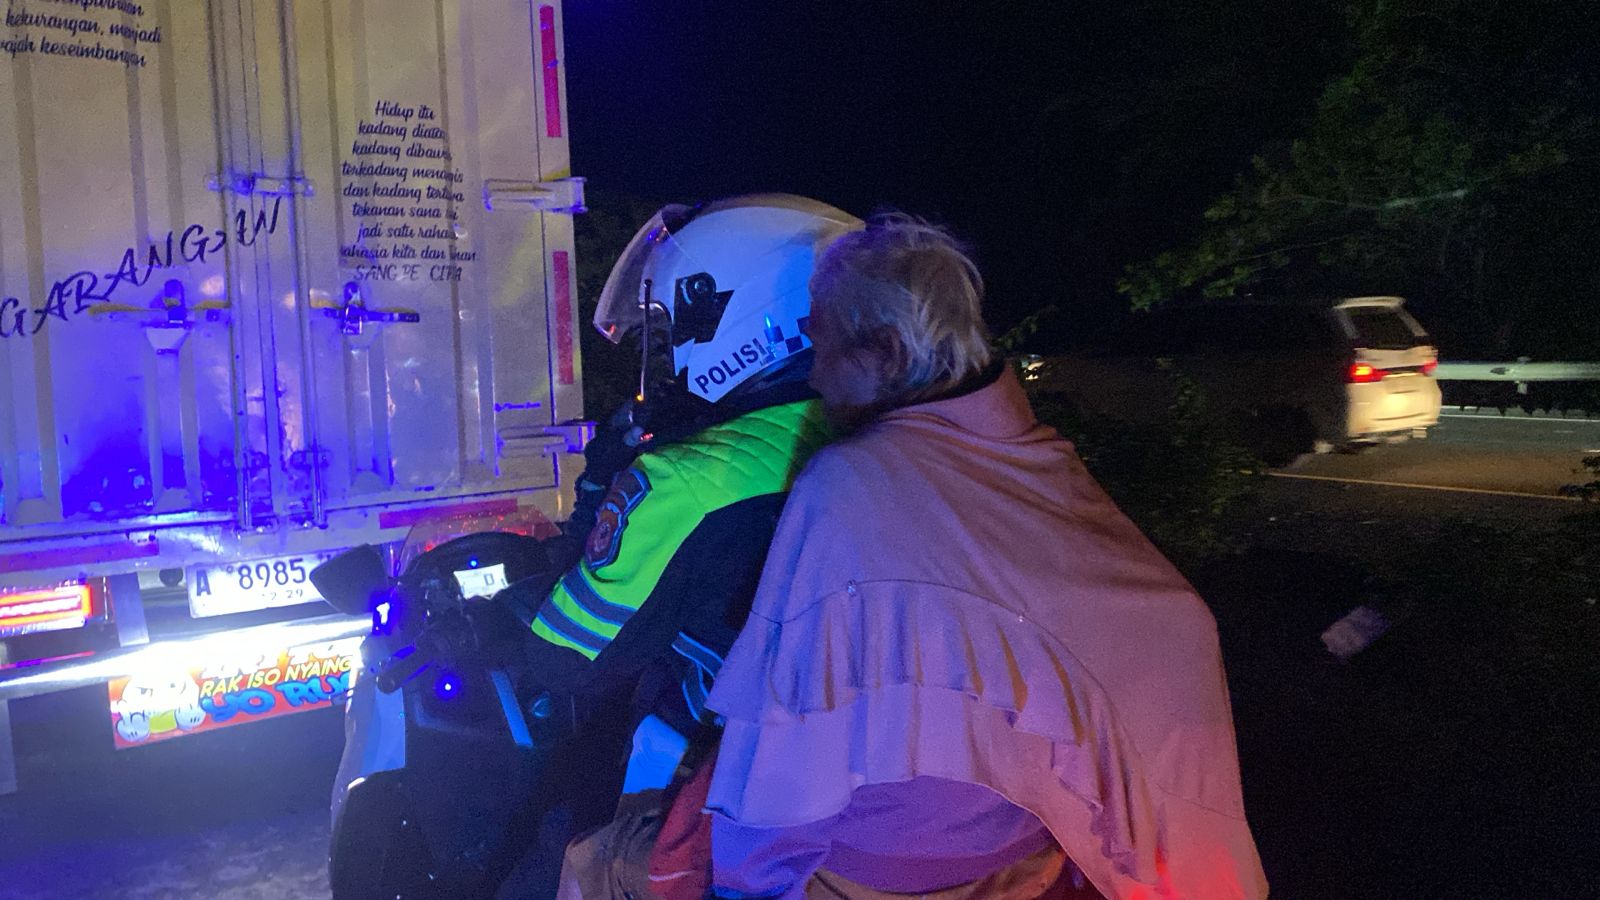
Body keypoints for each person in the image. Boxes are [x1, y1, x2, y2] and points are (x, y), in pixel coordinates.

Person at [681, 214, 1268, 899]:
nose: (814, 374)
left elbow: (790, 749)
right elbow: (1163, 618)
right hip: (1029, 865)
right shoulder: (1036, 459)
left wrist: (747, 887)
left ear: (885, 352)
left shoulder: (847, 484)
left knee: (607, 859)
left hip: (877, 877)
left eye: (823, 342)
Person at [482, 194, 863, 896]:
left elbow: (562, 658)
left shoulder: (684, 480)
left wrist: (599, 488)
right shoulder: (880, 436)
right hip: (856, 782)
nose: (670, 358)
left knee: (558, 848)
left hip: (711, 792)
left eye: (672, 330)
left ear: (733, 310)